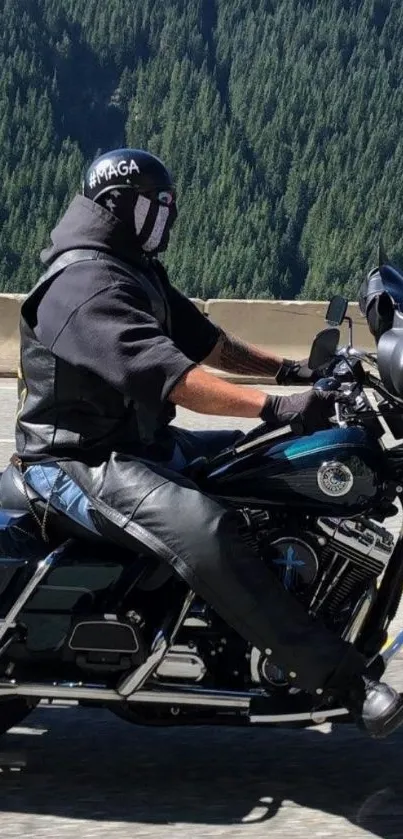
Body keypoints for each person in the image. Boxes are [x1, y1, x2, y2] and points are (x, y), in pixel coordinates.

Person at [8, 147, 403, 738]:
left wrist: (297, 375)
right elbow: (173, 376)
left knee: (265, 466)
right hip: (74, 461)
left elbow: (211, 346)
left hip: (134, 444)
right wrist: (280, 406)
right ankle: (341, 679)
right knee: (207, 526)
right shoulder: (82, 283)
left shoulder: (130, 268)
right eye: (155, 206)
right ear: (118, 206)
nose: (165, 218)